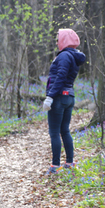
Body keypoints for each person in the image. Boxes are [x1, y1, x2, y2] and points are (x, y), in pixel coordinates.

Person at [42, 28, 86, 175]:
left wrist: (50, 97)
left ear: (64, 40)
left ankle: (55, 166)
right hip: (69, 96)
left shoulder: (64, 56)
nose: (56, 42)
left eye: (58, 39)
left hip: (59, 97)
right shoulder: (74, 56)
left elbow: (60, 77)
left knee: (54, 132)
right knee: (65, 130)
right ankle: (69, 163)